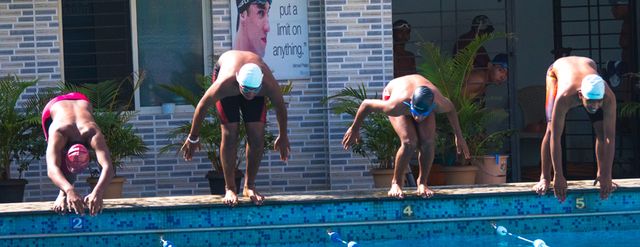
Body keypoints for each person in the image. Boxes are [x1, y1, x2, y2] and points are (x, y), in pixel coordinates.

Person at [181, 50, 290, 206]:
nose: (250, 96)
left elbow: (280, 107)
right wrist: (193, 137)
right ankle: (230, 188)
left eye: (254, 91)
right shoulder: (225, 83)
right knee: (229, 133)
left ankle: (249, 186)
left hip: (250, 81)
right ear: (239, 82)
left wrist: (283, 135)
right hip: (229, 74)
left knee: (257, 136)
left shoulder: (268, 85)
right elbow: (202, 105)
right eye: (246, 91)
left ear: (260, 83)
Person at [342, 74, 471, 199]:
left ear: (432, 108)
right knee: (409, 142)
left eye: (422, 114)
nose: (417, 118)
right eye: (415, 112)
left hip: (420, 94)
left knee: (428, 141)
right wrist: (355, 128)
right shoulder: (395, 105)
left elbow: (452, 109)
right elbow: (366, 104)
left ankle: (422, 182)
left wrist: (459, 136)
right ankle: (396, 183)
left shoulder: (439, 103)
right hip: (396, 93)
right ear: (411, 104)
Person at [532, 56, 618, 202]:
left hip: (587, 64)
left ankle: (600, 173)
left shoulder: (608, 97)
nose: (594, 107)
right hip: (558, 70)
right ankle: (544, 177)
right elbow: (555, 138)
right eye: (590, 102)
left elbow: (610, 137)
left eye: (598, 102)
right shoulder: (564, 97)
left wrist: (607, 175)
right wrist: (558, 175)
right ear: (580, 95)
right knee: (551, 130)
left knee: (602, 132)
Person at [42, 92, 114, 216]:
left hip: (82, 99)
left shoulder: (92, 132)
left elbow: (108, 167)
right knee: (55, 158)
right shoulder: (58, 132)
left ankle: (65, 192)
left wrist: (98, 192)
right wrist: (69, 190)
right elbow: (52, 169)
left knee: (73, 158)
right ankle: (61, 194)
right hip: (53, 106)